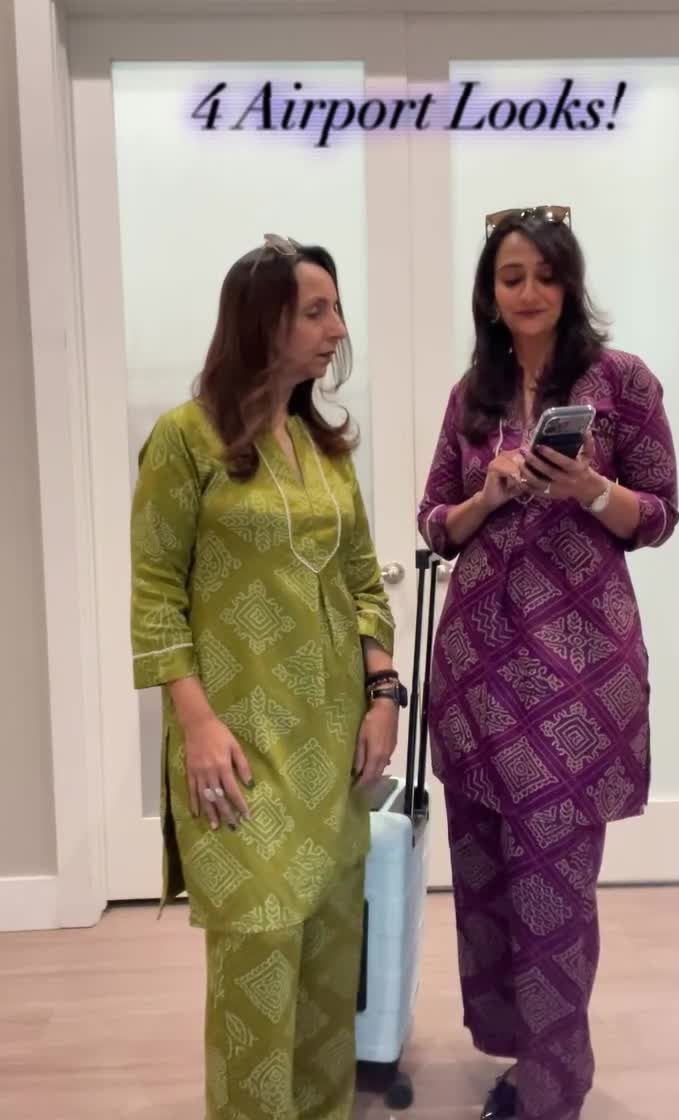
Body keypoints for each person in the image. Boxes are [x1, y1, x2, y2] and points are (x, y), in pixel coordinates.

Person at [130, 234, 403, 1120]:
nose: (337, 329)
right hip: (236, 748)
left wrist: (384, 694)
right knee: (257, 961)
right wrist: (196, 723)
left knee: (326, 974)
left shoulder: (324, 448)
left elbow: (363, 581)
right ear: (262, 323)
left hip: (332, 747)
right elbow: (154, 594)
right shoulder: (185, 440)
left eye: (336, 309)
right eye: (316, 311)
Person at [418, 205, 679, 1120]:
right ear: (489, 293)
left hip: (578, 672)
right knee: (487, 870)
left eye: (544, 274)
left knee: (555, 883)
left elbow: (659, 515)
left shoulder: (623, 383)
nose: (528, 292)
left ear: (570, 283)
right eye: (510, 277)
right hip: (477, 669)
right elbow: (434, 524)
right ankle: (519, 1056)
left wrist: (593, 489)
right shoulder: (472, 396)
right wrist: (486, 497)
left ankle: (552, 1089)